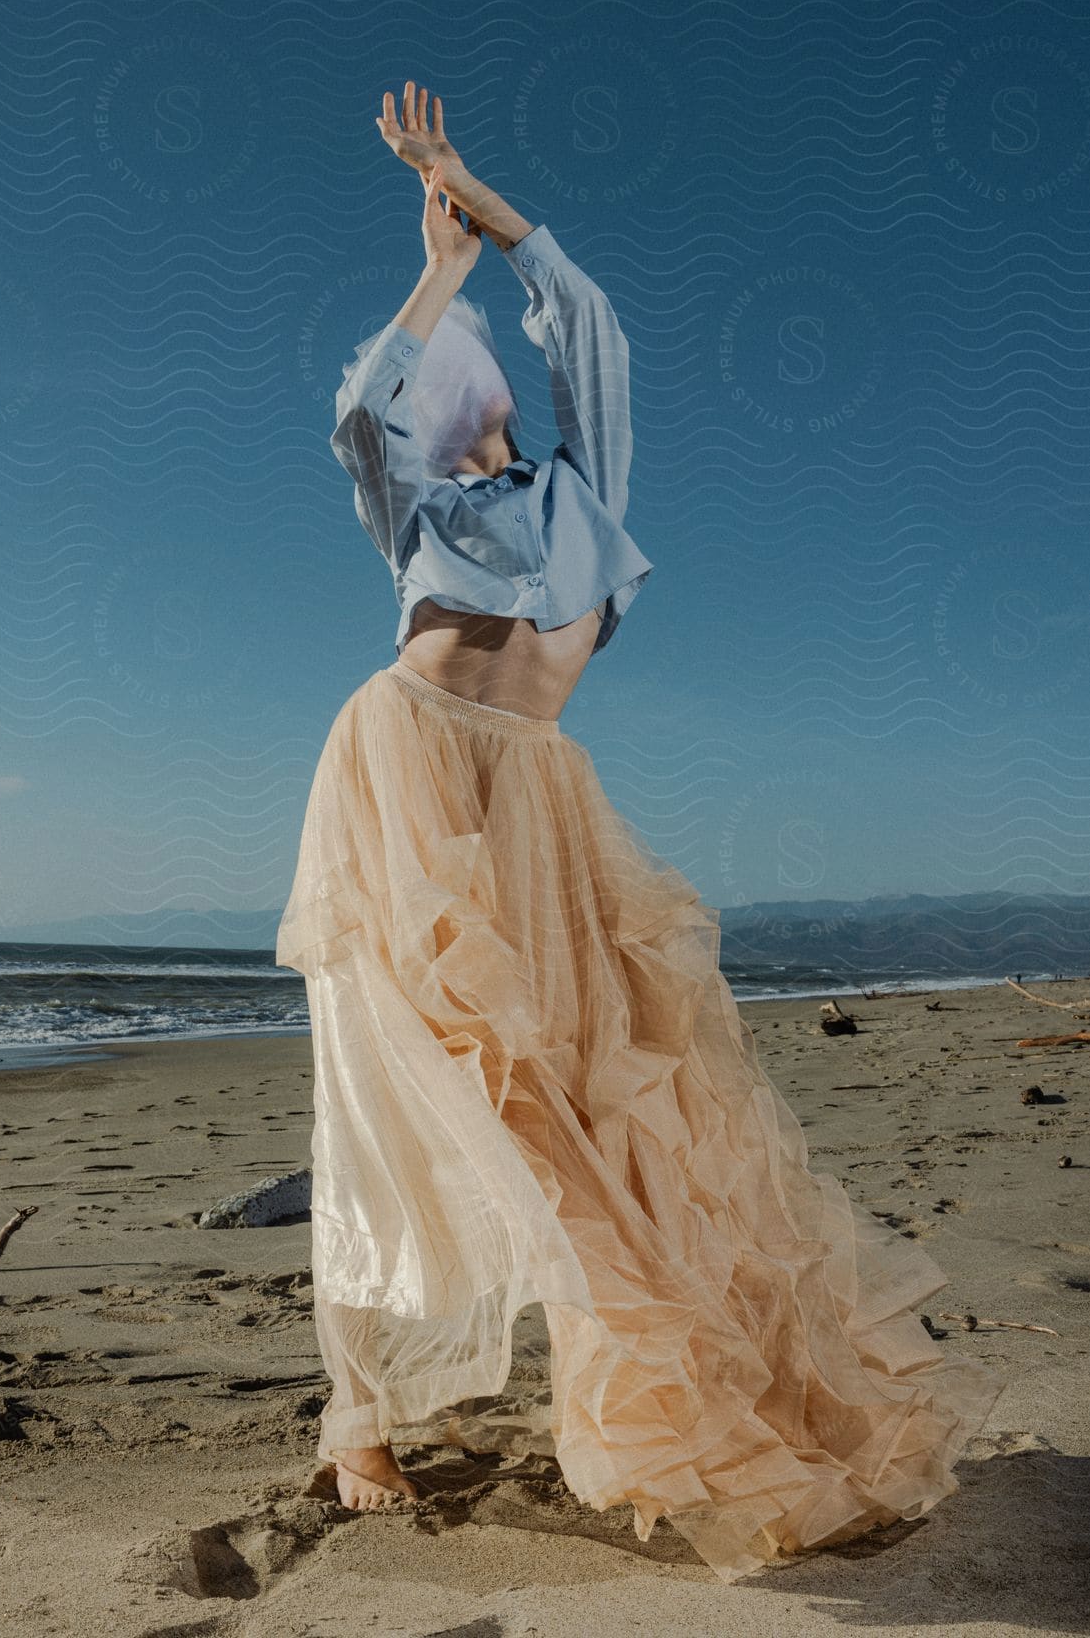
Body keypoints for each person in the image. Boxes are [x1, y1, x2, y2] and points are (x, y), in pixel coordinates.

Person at [275, 83, 1008, 1583]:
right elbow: (353, 412)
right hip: (406, 778)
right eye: (434, 372)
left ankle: (643, 1384)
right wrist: (437, 270)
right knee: (404, 1102)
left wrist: (485, 197)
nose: (443, 387)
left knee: (604, 1112)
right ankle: (358, 1418)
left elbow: (594, 325)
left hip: (537, 800)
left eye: (458, 367)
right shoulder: (409, 506)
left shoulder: (581, 494)